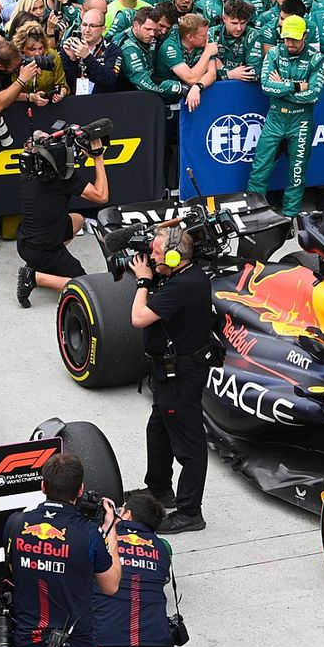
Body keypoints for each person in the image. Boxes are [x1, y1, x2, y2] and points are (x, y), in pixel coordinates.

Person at [130, 226, 214, 534]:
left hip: (181, 376)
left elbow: (138, 318)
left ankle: (190, 512)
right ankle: (159, 490)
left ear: (177, 256)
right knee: (158, 429)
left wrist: (143, 280)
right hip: (167, 374)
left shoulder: (185, 285)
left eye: (156, 252)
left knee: (190, 445)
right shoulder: (178, 277)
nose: (150, 257)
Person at [4, 453, 121, 647]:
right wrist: (111, 529)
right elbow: (110, 586)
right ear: (80, 489)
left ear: (43, 486)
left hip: (28, 643)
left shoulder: (16, 523)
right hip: (75, 646)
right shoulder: (89, 533)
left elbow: (15, 571)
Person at [15, 131, 108, 307]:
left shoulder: (30, 170)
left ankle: (39, 265)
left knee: (77, 219)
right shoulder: (62, 178)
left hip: (25, 242)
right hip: (44, 250)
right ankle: (34, 277)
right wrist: (98, 158)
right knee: (86, 288)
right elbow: (102, 196)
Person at [246, 14, 323, 216]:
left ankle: (289, 217)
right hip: (275, 119)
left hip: (302, 121)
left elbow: (314, 95)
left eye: (295, 39)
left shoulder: (316, 58)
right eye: (286, 38)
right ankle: (255, 214)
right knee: (260, 168)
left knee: (297, 173)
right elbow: (266, 88)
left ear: (305, 36)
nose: (290, 43)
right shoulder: (273, 55)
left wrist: (282, 87)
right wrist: (296, 86)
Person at [94, 490, 174, 647]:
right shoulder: (162, 548)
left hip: (109, 645)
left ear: (128, 515)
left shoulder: (101, 540)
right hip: (158, 645)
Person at [117, 7, 187, 99]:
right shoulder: (128, 48)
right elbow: (142, 80)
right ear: (136, 25)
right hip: (125, 95)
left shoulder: (147, 37)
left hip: (146, 90)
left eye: (154, 30)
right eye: (148, 29)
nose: (152, 34)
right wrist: (178, 87)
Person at [154, 11, 216, 110]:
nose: (207, 37)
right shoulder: (169, 47)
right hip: (168, 101)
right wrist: (207, 53)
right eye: (204, 36)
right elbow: (191, 78)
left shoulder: (205, 39)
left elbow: (212, 73)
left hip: (195, 97)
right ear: (190, 37)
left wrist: (197, 87)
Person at [60, 7, 123, 94]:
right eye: (84, 25)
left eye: (92, 26)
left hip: (102, 102)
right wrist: (72, 60)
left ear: (103, 29)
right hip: (75, 102)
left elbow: (109, 80)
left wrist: (87, 57)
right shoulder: (70, 47)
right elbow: (69, 83)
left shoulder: (113, 50)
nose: (87, 30)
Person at [11, 21, 69, 104]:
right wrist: (30, 97)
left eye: (40, 48)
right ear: (22, 48)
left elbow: (63, 85)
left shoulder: (52, 56)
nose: (37, 53)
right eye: (32, 49)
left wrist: (61, 94)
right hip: (21, 105)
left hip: (48, 105)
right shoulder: (15, 58)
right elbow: (8, 93)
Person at [210, 0, 260, 80]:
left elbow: (254, 73)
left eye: (243, 23)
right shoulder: (212, 33)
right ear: (224, 19)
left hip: (243, 88)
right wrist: (230, 74)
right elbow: (203, 72)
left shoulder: (252, 35)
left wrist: (224, 70)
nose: (239, 28)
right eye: (234, 23)